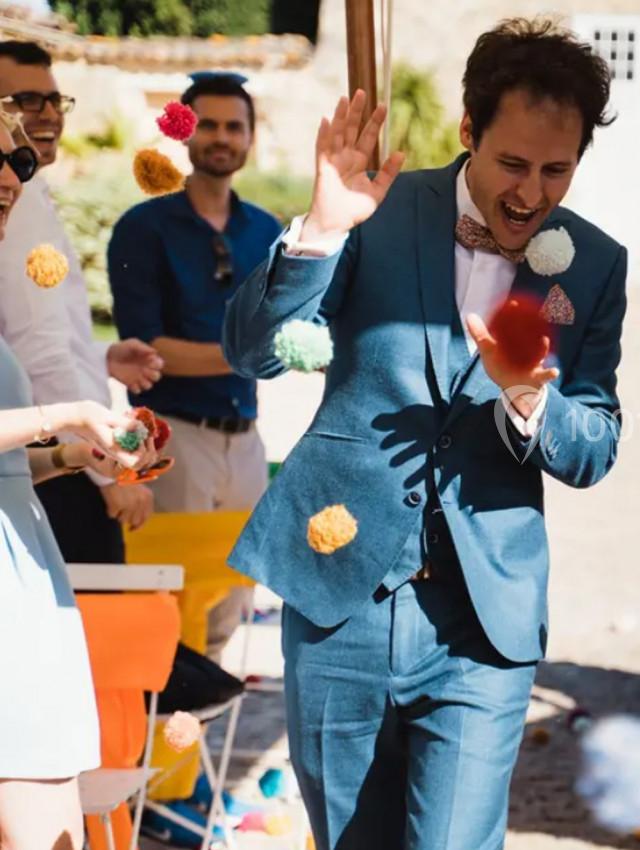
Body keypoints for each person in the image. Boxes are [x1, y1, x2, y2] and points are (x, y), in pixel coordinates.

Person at [222, 18, 626, 848]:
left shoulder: (596, 263)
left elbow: (595, 445)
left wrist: (531, 405)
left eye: (558, 169)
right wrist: (323, 228)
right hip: (339, 600)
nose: (530, 192)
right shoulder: (374, 206)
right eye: (513, 162)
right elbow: (252, 351)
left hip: (485, 622)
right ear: (468, 131)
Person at [0, 109, 159, 850]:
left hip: (25, 583)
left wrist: (67, 456)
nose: (11, 179)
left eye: (19, 163)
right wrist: (61, 413)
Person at [108, 72, 281, 662]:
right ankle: (167, 747)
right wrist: (247, 356)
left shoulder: (266, 231)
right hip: (171, 437)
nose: (222, 137)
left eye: (235, 126)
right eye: (208, 123)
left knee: (231, 607)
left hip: (246, 441)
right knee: (168, 608)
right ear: (182, 130)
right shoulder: (143, 227)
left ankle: (195, 742)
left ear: (251, 138)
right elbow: (146, 349)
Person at [0, 40, 162, 564]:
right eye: (26, 100)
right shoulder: (15, 206)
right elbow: (39, 349)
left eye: (54, 100)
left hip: (51, 456)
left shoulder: (29, 194)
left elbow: (29, 341)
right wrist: (102, 473)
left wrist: (100, 358)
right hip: (49, 468)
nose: (47, 114)